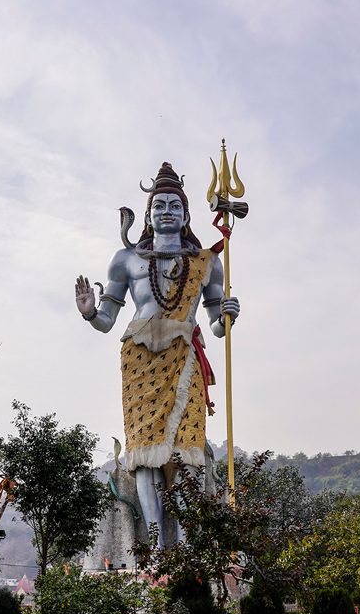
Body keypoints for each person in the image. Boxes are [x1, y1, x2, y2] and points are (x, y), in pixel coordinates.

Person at [75, 162, 240, 548]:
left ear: (185, 215)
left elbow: (217, 325)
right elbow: (106, 321)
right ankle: (155, 541)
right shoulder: (127, 260)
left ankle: (184, 542)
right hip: (139, 361)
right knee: (146, 457)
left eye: (174, 206)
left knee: (186, 452)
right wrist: (88, 313)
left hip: (184, 358)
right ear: (148, 216)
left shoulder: (206, 262)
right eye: (159, 205)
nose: (167, 211)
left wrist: (228, 317)